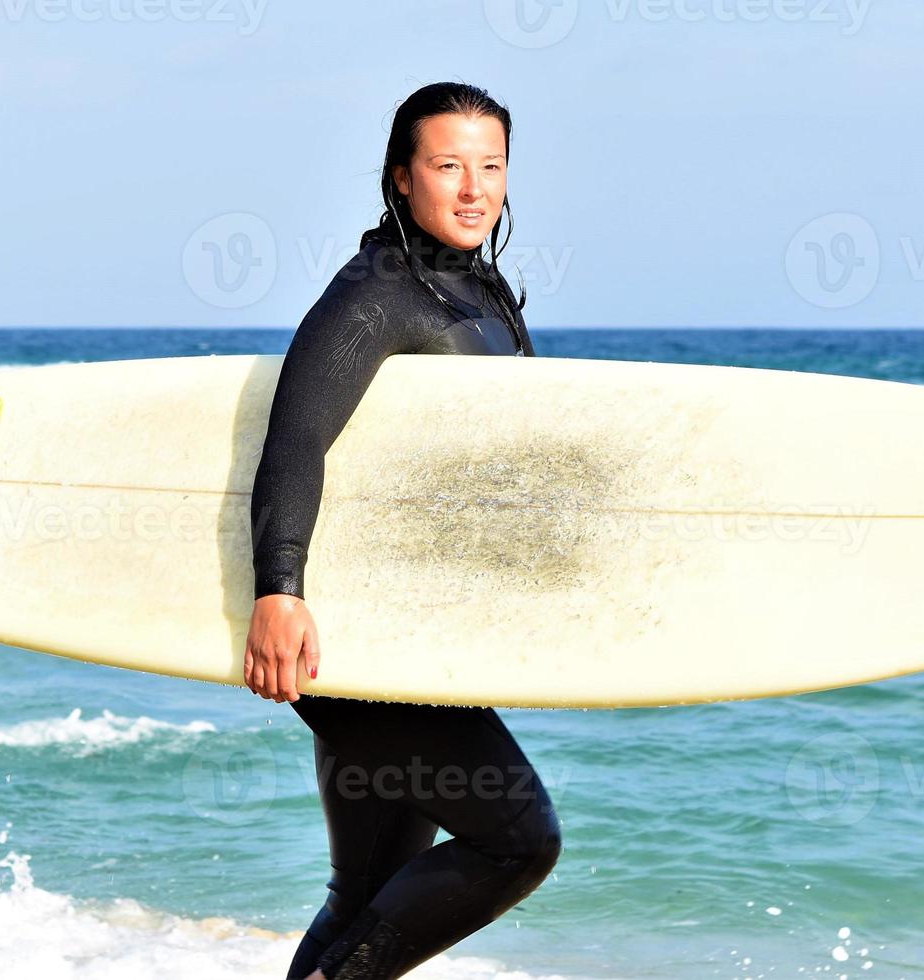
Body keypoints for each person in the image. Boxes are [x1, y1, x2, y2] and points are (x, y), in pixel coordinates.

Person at [242, 82, 563, 980]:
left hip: (417, 635)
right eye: (448, 165)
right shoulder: (375, 296)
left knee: (368, 889)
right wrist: (278, 589)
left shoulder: (482, 292)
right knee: (519, 841)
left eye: (491, 166)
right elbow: (296, 436)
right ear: (401, 177)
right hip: (347, 642)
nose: (473, 188)